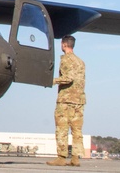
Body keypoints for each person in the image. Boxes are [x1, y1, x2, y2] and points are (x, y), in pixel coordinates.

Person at [47, 35, 86, 167]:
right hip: (79, 100)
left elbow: (68, 78)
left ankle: (61, 157)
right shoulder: (80, 62)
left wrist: (52, 81)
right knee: (77, 130)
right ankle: (75, 157)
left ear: (64, 45)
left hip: (66, 100)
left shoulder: (66, 60)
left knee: (62, 128)